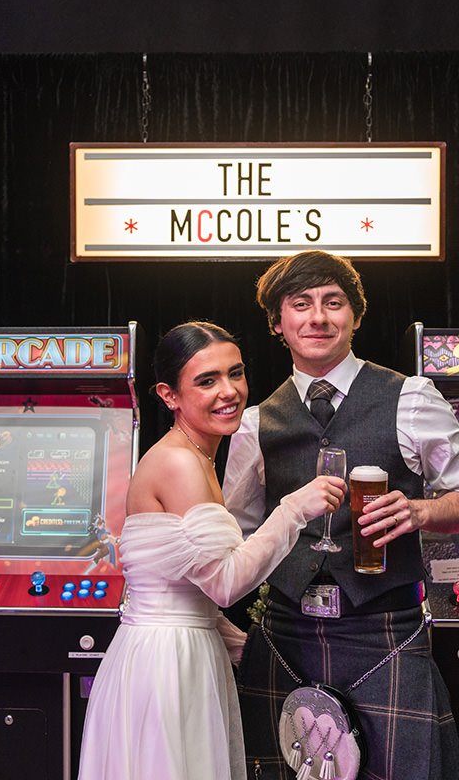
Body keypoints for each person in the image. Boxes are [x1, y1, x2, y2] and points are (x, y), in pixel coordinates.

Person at [223, 251, 459, 779]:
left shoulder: (411, 399)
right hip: (285, 633)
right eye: (301, 304)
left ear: (355, 316)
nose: (318, 317)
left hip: (383, 630)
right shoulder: (254, 423)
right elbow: (241, 535)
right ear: (279, 323)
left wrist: (421, 511)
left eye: (333, 302)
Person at [77, 321, 345, 780]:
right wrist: (295, 508)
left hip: (173, 652)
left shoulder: (195, 456)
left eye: (235, 373)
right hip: (169, 665)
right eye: (207, 380)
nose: (230, 391)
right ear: (169, 395)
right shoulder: (181, 463)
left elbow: (182, 583)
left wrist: (239, 643)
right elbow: (224, 582)